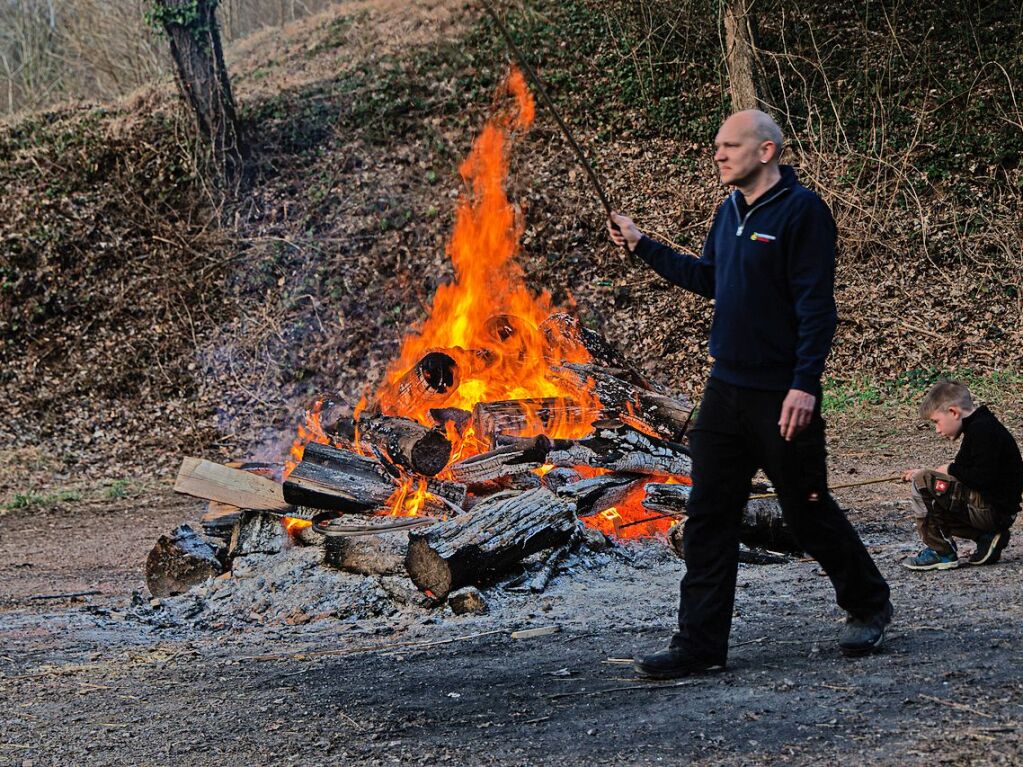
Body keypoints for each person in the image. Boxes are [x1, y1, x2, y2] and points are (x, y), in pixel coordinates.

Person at [607, 109, 892, 679]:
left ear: (765, 151)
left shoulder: (803, 213)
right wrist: (643, 245)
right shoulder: (729, 211)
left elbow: (817, 306)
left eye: (729, 146)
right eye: (717, 145)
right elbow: (708, 278)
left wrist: (804, 384)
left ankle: (868, 603)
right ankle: (699, 646)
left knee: (806, 510)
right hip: (725, 389)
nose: (718, 154)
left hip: (780, 393)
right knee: (710, 514)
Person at [901, 380, 1022, 571]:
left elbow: (981, 477)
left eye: (936, 422)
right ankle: (986, 537)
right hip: (996, 512)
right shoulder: (980, 426)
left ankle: (940, 552)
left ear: (953, 412)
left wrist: (932, 475)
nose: (937, 430)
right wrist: (934, 473)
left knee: (921, 482)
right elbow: (963, 473)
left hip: (992, 511)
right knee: (925, 480)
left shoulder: (982, 430)